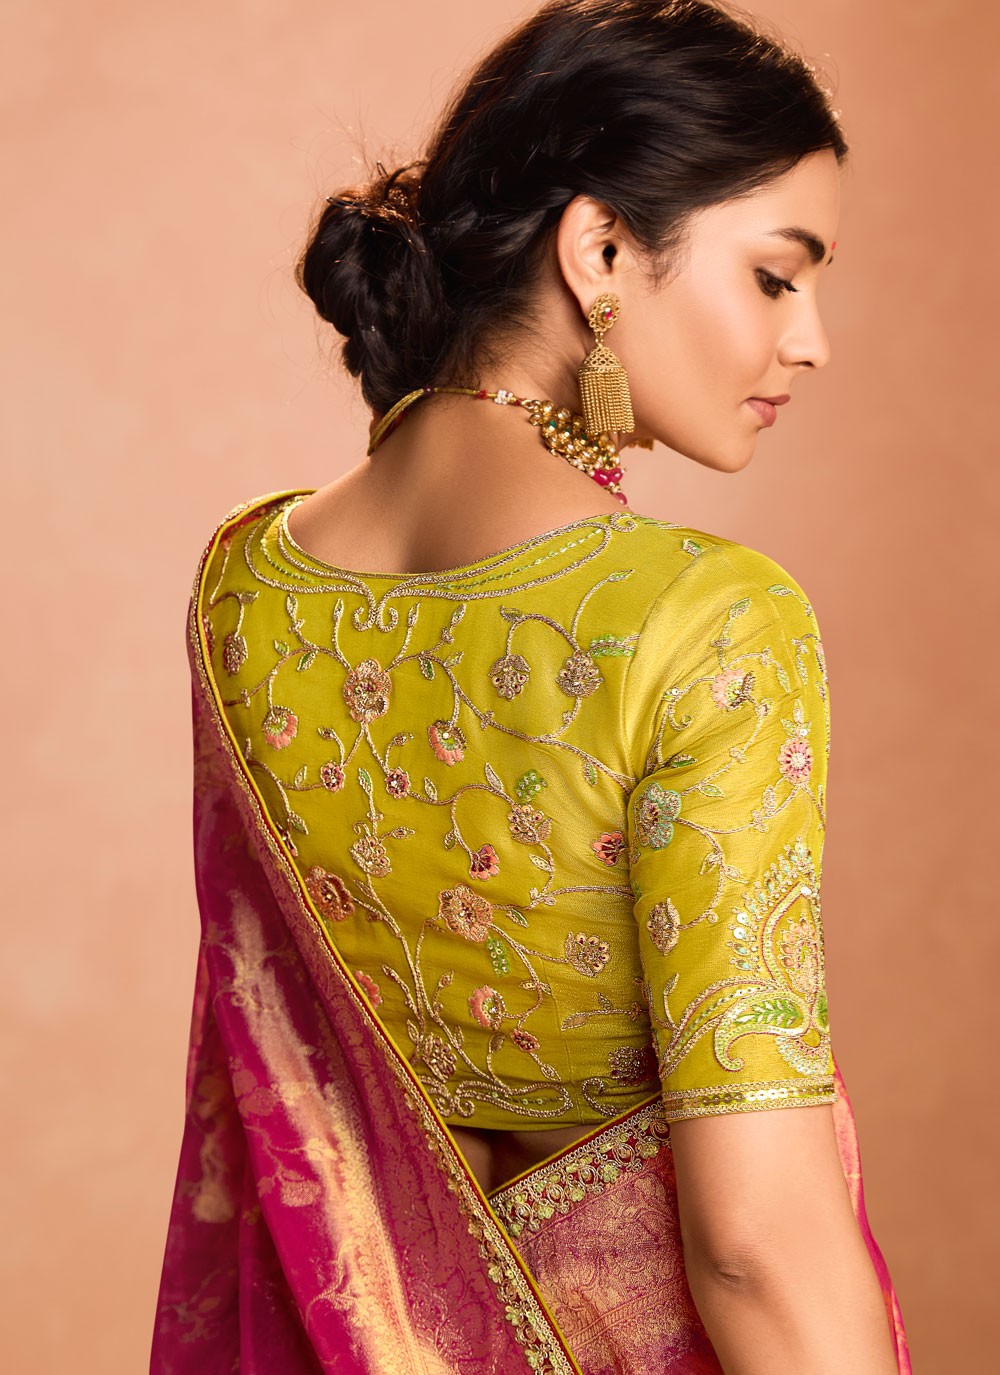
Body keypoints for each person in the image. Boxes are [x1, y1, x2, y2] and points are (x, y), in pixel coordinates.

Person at [150, 1, 912, 1371]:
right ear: (600, 248)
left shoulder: (240, 588)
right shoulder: (704, 621)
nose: (812, 342)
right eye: (777, 277)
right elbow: (758, 1242)